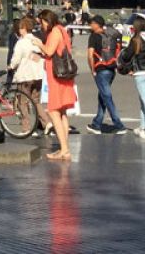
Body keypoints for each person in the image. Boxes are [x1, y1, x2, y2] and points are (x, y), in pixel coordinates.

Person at [37, 8, 78, 161]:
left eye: (42, 23)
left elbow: (49, 51)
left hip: (57, 78)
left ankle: (65, 149)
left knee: (54, 111)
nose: (42, 26)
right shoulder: (62, 30)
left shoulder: (54, 31)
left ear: (47, 21)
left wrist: (39, 44)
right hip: (64, 77)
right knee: (62, 112)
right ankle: (63, 148)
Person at [85, 15, 127, 135]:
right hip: (111, 69)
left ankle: (119, 125)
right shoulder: (110, 35)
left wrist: (92, 69)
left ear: (96, 24)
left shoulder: (94, 36)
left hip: (101, 69)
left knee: (107, 97)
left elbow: (90, 54)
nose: (90, 25)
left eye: (91, 23)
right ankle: (97, 123)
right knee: (103, 96)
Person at [8, 16, 46, 104]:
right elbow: (42, 56)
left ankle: (26, 118)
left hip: (26, 75)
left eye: (20, 28)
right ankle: (44, 118)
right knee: (36, 102)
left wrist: (11, 66)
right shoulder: (37, 40)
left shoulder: (21, 42)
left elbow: (16, 59)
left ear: (24, 29)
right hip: (38, 75)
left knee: (23, 103)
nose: (19, 31)